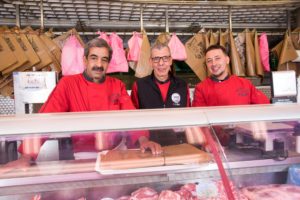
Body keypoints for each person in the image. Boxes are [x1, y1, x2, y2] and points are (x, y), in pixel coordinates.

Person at [0, 38, 161, 174]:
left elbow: (131, 118)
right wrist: (25, 157)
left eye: (104, 60)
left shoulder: (117, 85)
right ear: (84, 60)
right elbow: (45, 119)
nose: (99, 64)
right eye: (94, 58)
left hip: (116, 155)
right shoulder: (68, 84)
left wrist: (143, 140)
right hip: (83, 157)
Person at [130, 43, 190, 145]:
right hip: (149, 144)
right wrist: (143, 140)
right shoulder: (139, 86)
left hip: (178, 143)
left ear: (171, 60)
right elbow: (132, 118)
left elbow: (189, 117)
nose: (161, 63)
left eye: (165, 58)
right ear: (150, 62)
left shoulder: (182, 86)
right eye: (156, 59)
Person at [192, 44, 270, 107]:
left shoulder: (245, 84)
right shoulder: (201, 88)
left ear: (227, 60)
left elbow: (265, 106)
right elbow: (199, 119)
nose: (214, 64)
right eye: (209, 61)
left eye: (217, 58)